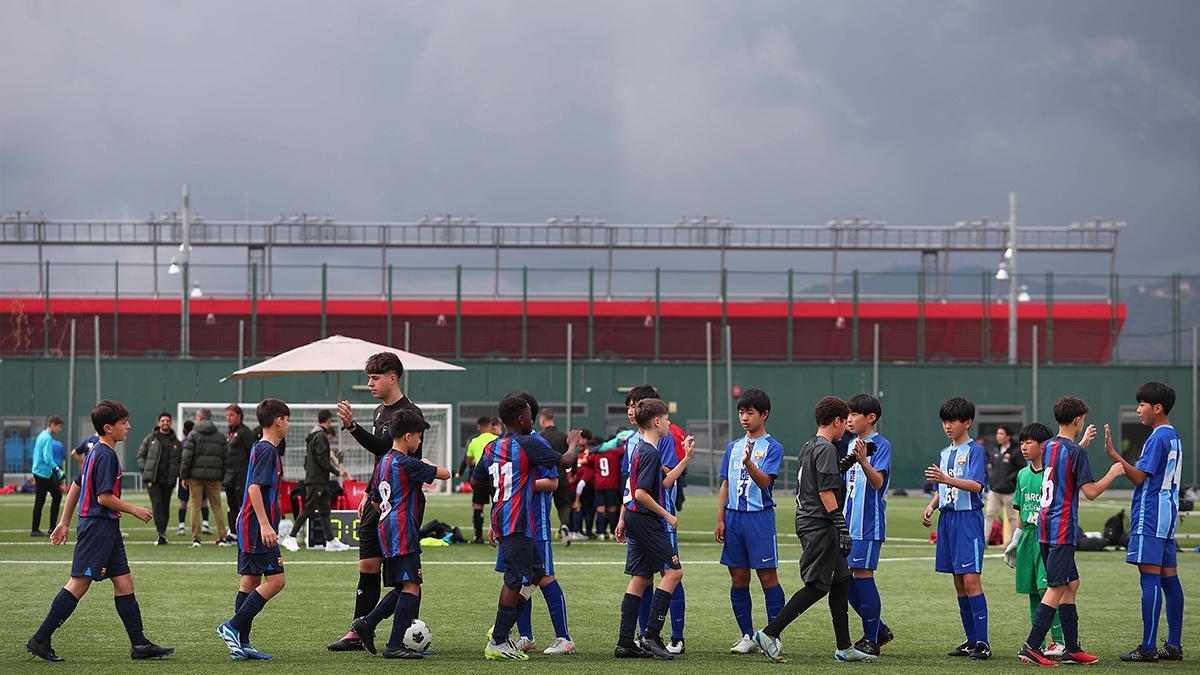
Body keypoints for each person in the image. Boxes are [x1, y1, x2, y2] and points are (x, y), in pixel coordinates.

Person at [25, 400, 174, 663]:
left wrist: (63, 522)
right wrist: (133, 509)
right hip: (98, 527)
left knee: (124, 581)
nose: (129, 426)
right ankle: (40, 639)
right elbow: (104, 497)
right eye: (124, 423)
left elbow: (76, 485)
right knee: (79, 584)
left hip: (106, 527)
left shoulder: (95, 450)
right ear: (108, 428)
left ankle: (139, 644)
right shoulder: (105, 455)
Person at [750, 396, 874, 663]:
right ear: (838, 421)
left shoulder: (810, 445)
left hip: (810, 520)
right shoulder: (827, 448)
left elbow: (822, 475)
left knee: (841, 581)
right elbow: (825, 490)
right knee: (818, 585)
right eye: (845, 421)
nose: (846, 428)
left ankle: (844, 647)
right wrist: (842, 526)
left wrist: (853, 459)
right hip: (819, 524)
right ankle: (770, 632)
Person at [328, 352, 427, 652]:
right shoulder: (378, 412)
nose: (370, 383)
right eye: (369, 377)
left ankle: (407, 635)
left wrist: (352, 427)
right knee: (368, 566)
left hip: (401, 506)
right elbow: (381, 461)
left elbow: (388, 449)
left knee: (407, 575)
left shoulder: (409, 413)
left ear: (393, 378)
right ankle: (359, 632)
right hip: (379, 501)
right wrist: (369, 494)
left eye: (375, 377)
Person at [470, 392, 579, 661]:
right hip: (518, 521)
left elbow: (475, 482)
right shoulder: (529, 443)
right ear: (521, 418)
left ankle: (504, 630)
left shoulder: (491, 447)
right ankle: (498, 641)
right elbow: (566, 462)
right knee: (516, 579)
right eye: (530, 415)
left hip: (505, 518)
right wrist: (573, 444)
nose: (534, 419)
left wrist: (503, 488)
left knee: (532, 577)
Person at [1017, 396, 1124, 666]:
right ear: (1078, 420)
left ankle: (1072, 648)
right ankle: (1031, 646)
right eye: (1083, 419)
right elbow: (1090, 493)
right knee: (1057, 586)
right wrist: (1114, 472)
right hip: (1061, 528)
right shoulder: (1076, 452)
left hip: (1043, 525)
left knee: (1071, 584)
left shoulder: (1049, 445)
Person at [348, 408, 448, 659]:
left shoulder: (383, 462)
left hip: (386, 527)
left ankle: (367, 623)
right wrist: (427, 463)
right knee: (412, 585)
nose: (420, 441)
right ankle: (393, 645)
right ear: (406, 437)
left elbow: (373, 500)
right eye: (418, 437)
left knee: (404, 585)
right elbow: (446, 474)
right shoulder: (407, 463)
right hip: (403, 530)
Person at [613, 398, 693, 660]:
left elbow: (665, 482)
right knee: (674, 572)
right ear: (657, 422)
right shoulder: (650, 452)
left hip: (636, 518)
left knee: (641, 577)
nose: (669, 423)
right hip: (646, 519)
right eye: (667, 419)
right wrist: (667, 515)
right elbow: (640, 493)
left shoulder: (643, 449)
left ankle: (625, 643)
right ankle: (651, 635)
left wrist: (686, 459)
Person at [1111, 382, 1185, 662]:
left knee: (1150, 579)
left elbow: (1140, 477)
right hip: (1167, 518)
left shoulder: (1156, 438)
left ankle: (1148, 648)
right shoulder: (1174, 436)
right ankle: (1174, 645)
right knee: (1170, 580)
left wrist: (1115, 457)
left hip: (1150, 516)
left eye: (1142, 404)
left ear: (1158, 408)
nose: (1138, 409)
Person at [216, 399, 291, 661]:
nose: (288, 424)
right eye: (287, 419)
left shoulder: (263, 447)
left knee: (250, 581)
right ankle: (233, 626)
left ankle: (243, 642)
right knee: (276, 581)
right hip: (255, 526)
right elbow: (254, 488)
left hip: (249, 523)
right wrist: (264, 523)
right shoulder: (268, 449)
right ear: (279, 420)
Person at [716, 389, 787, 655]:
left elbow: (765, 482)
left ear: (764, 414)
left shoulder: (773, 447)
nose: (744, 418)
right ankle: (747, 635)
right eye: (741, 412)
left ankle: (773, 635)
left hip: (759, 519)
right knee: (738, 577)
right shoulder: (733, 447)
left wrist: (749, 464)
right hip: (734, 519)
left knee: (767, 577)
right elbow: (725, 483)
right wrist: (721, 518)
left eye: (750, 413)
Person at [502, 415, 579, 657]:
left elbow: (553, 482)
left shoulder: (537, 444)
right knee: (522, 579)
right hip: (515, 523)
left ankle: (564, 638)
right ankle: (526, 637)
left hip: (536, 523)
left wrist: (520, 483)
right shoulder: (511, 443)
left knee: (545, 577)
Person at [921, 397, 990, 660]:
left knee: (971, 579)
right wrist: (932, 505)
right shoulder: (944, 452)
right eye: (945, 421)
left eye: (952, 421)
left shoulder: (975, 450)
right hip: (948, 520)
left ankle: (983, 642)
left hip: (967, 520)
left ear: (967, 422)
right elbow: (943, 488)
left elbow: (975, 485)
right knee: (959, 582)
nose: (947, 426)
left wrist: (946, 479)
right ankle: (971, 640)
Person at [1004, 422, 1066, 659]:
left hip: (1046, 536)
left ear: (1044, 446)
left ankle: (1059, 641)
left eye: (1029, 442)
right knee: (1032, 590)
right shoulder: (1022, 474)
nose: (1023, 446)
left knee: (1046, 588)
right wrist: (1014, 540)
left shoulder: (1052, 473)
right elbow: (1020, 512)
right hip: (1027, 537)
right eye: (1021, 442)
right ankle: (1037, 643)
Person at [841, 393, 894, 655]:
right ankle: (879, 629)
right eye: (848, 414)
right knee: (842, 579)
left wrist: (863, 461)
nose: (849, 419)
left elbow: (878, 483)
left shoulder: (880, 445)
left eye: (854, 414)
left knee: (863, 575)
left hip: (867, 524)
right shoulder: (849, 444)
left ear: (870, 418)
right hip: (846, 524)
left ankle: (871, 639)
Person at [287, 410, 351, 551]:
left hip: (320, 479)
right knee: (309, 508)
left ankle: (331, 541)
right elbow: (323, 460)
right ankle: (290, 537)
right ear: (328, 421)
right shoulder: (321, 436)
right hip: (318, 480)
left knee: (324, 511)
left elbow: (308, 461)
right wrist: (337, 472)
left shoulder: (313, 437)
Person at [180, 408, 229, 548]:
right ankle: (223, 537)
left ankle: (196, 539)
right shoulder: (220, 436)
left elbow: (186, 458)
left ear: (200, 417)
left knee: (195, 505)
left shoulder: (193, 435)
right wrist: (221, 475)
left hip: (195, 477)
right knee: (217, 506)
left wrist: (184, 475)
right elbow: (226, 458)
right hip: (214, 477)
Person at [136, 412, 182, 545]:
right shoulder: (150, 439)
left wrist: (177, 473)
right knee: (157, 505)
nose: (165, 423)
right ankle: (160, 532)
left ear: (171, 423)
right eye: (163, 421)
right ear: (158, 423)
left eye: (167, 421)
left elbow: (181, 460)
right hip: (153, 480)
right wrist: (145, 469)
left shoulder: (176, 442)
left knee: (165, 506)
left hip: (168, 480)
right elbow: (140, 456)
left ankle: (163, 532)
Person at [459, 416, 499, 544]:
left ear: (478, 427)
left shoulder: (474, 441)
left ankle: (478, 536)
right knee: (498, 503)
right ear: (490, 426)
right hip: (495, 476)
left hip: (480, 476)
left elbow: (469, 461)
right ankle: (499, 534)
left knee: (478, 505)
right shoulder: (498, 439)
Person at [984, 425, 1024, 546]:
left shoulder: (1016, 451)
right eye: (998, 434)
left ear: (1009, 436)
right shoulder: (995, 450)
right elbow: (991, 467)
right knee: (989, 514)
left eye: (1001, 434)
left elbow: (1022, 469)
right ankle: (984, 540)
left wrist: (1010, 480)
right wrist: (991, 479)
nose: (998, 436)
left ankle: (1013, 542)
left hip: (1009, 491)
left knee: (1012, 517)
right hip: (995, 490)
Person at [224, 404, 257, 545]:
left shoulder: (245, 432)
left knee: (242, 505)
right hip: (230, 475)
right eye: (227, 415)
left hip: (241, 475)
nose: (228, 418)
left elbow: (253, 452)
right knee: (231, 504)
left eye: (231, 415)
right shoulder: (231, 432)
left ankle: (244, 532)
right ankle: (233, 532)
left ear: (239, 416)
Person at [538, 408, 572, 539]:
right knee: (563, 504)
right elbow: (571, 455)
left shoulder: (539, 437)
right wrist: (572, 471)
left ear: (542, 420)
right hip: (561, 475)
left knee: (543, 504)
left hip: (543, 478)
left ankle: (543, 530)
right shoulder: (563, 436)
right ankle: (564, 525)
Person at [31, 415, 64, 537]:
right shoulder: (47, 438)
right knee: (41, 500)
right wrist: (57, 469)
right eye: (59, 427)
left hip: (43, 472)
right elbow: (47, 458)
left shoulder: (42, 435)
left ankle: (52, 527)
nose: (59, 430)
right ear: (53, 425)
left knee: (56, 495)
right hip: (42, 473)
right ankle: (36, 530)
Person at [176, 419, 210, 536]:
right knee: (203, 500)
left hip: (186, 476)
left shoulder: (182, 443)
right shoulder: (199, 442)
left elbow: (182, 461)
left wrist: (182, 475)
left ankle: (181, 527)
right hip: (199, 475)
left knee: (184, 501)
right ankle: (205, 524)